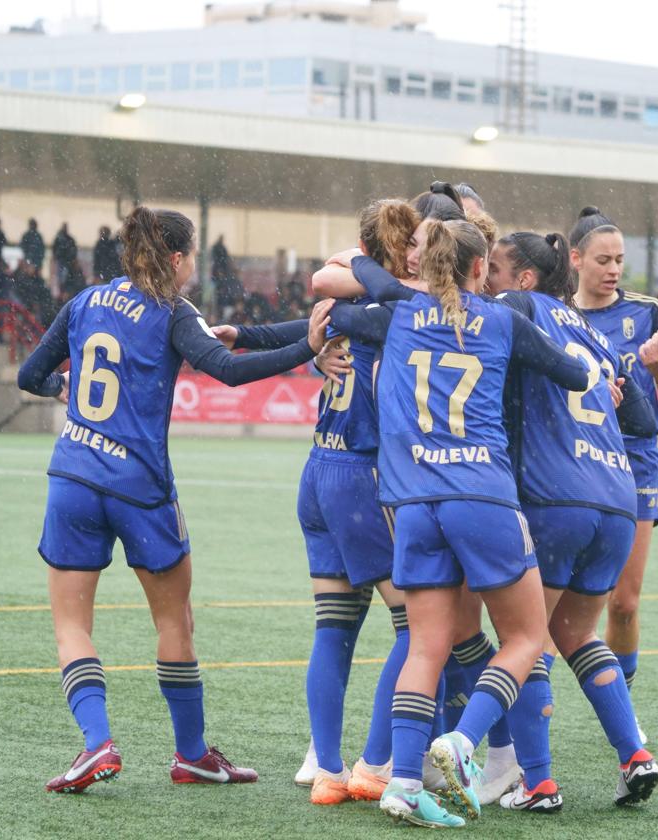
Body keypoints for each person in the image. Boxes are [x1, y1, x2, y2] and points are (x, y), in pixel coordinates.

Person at [16, 206, 330, 794]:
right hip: (141, 487)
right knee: (174, 619)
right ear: (179, 259)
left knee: (71, 626)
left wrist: (67, 388)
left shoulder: (83, 302)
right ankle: (190, 755)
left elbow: (29, 375)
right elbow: (227, 372)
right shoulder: (172, 312)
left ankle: (96, 743)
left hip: (74, 479)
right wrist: (306, 350)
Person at [326, 218, 593, 828]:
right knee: (527, 637)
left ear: (426, 264)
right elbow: (574, 373)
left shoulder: (394, 316)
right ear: (479, 269)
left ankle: (400, 782)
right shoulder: (500, 320)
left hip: (413, 503)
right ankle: (465, 742)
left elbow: (337, 314)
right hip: (483, 497)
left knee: (425, 645)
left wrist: (323, 328)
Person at [220, 199, 421, 807]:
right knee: (418, 625)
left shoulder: (341, 309)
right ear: (402, 248)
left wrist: (248, 334)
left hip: (317, 469)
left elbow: (302, 325)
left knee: (334, 628)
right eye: (414, 243)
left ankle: (328, 770)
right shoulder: (396, 311)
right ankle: (376, 762)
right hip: (360, 476)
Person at [480, 230, 658, 812]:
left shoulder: (517, 307)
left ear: (525, 279)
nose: (486, 278)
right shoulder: (590, 330)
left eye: (497, 269)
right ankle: (636, 754)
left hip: (557, 499)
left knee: (525, 641)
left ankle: (537, 784)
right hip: (616, 499)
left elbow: (471, 319)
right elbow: (639, 415)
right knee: (577, 633)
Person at [571, 207, 658, 732]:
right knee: (561, 602)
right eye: (603, 259)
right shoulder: (554, 311)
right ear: (575, 260)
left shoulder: (648, 313)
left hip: (635, 458)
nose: (614, 269)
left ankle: (623, 709)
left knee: (624, 601)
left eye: (620, 259)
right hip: (573, 458)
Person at [52, 223, 78, 288]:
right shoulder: (63, 239)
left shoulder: (61, 239)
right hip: (64, 261)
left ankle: (63, 289)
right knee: (62, 277)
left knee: (63, 277)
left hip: (65, 261)